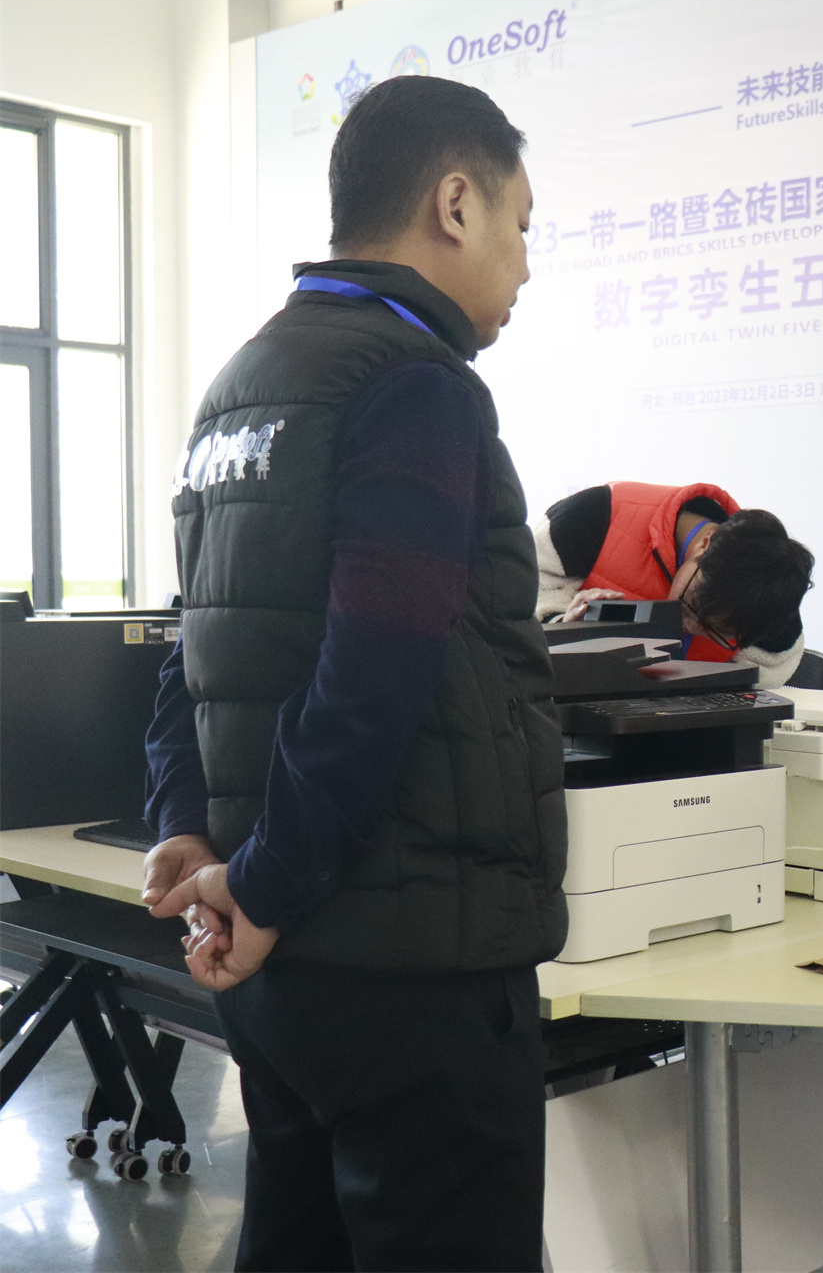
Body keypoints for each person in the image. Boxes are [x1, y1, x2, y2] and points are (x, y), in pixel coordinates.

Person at [139, 76, 561, 1272]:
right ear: (455, 203)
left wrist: (188, 827)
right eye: (522, 223)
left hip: (282, 967)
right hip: (413, 956)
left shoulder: (244, 385)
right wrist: (264, 881)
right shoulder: (412, 383)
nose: (527, 264)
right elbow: (377, 670)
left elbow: (191, 646)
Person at [535, 480, 814, 685]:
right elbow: (521, 599)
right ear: (706, 544)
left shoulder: (768, 593)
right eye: (690, 605)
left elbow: (774, 664)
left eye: (716, 631)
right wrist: (563, 628)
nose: (688, 626)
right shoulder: (596, 515)